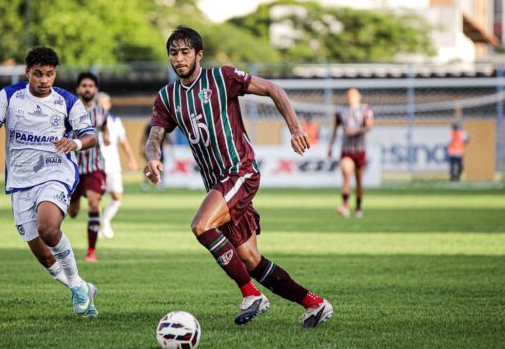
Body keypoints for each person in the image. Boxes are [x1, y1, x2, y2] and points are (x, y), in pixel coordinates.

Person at [143, 26, 333, 328]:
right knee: (250, 260)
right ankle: (314, 304)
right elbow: (154, 136)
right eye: (173, 53)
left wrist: (296, 128)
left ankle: (251, 295)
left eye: (185, 52)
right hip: (217, 184)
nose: (178, 58)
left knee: (201, 225)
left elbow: (273, 89)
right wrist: (153, 158)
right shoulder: (167, 97)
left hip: (239, 171)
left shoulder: (222, 78)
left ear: (199, 55)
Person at [0, 45, 98, 317]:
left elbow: (91, 136)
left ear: (55, 74)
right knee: (44, 255)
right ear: (27, 73)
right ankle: (80, 286)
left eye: (50, 74)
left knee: (48, 227)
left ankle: (78, 291)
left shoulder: (66, 101)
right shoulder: (9, 97)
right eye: (38, 74)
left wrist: (75, 142)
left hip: (55, 172)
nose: (44, 80)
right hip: (20, 181)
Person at [67, 72, 109, 262]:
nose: (87, 89)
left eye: (90, 86)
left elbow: (105, 127)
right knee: (73, 213)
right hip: (72, 168)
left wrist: (106, 136)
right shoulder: (69, 110)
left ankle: (91, 251)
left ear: (96, 90)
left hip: (95, 166)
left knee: (94, 203)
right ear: (78, 89)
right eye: (84, 85)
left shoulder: (101, 111)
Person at [96, 92, 139, 239]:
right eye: (98, 103)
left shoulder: (115, 120)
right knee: (96, 198)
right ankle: (96, 228)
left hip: (113, 165)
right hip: (96, 165)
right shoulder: (88, 121)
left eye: (104, 103)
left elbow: (123, 141)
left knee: (117, 196)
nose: (101, 106)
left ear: (109, 105)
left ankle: (105, 221)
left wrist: (132, 159)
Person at [328, 88, 373, 219]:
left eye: (353, 95)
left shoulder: (365, 109)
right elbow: (335, 129)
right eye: (348, 95)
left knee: (359, 181)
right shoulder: (341, 111)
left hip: (360, 150)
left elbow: (369, 126)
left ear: (359, 96)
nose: (350, 97)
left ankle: (358, 207)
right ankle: (345, 205)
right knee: (347, 174)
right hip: (346, 150)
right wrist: (330, 146)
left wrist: (357, 130)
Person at [140, 121, 167, 192]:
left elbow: (165, 138)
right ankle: (145, 184)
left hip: (161, 150)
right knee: (149, 167)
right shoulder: (149, 125)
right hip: (151, 150)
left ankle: (161, 184)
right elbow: (144, 137)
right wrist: (142, 147)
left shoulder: (163, 125)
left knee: (161, 167)